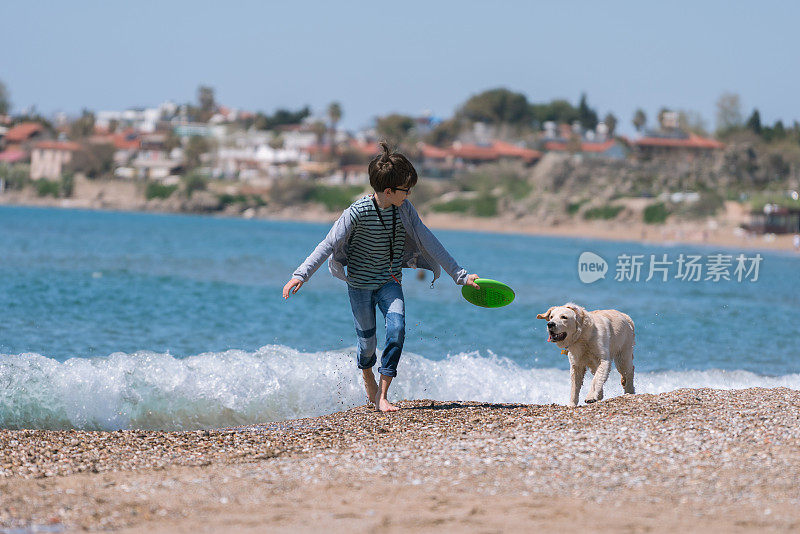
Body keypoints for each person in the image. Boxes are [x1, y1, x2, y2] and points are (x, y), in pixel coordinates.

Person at [283, 142, 479, 412]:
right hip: (360, 286)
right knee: (367, 346)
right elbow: (328, 244)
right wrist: (301, 275)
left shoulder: (405, 211)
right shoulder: (356, 213)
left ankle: (383, 396)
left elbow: (429, 241)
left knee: (397, 331)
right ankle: (368, 376)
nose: (409, 194)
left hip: (390, 283)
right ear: (389, 191)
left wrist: (461, 276)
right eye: (405, 189)